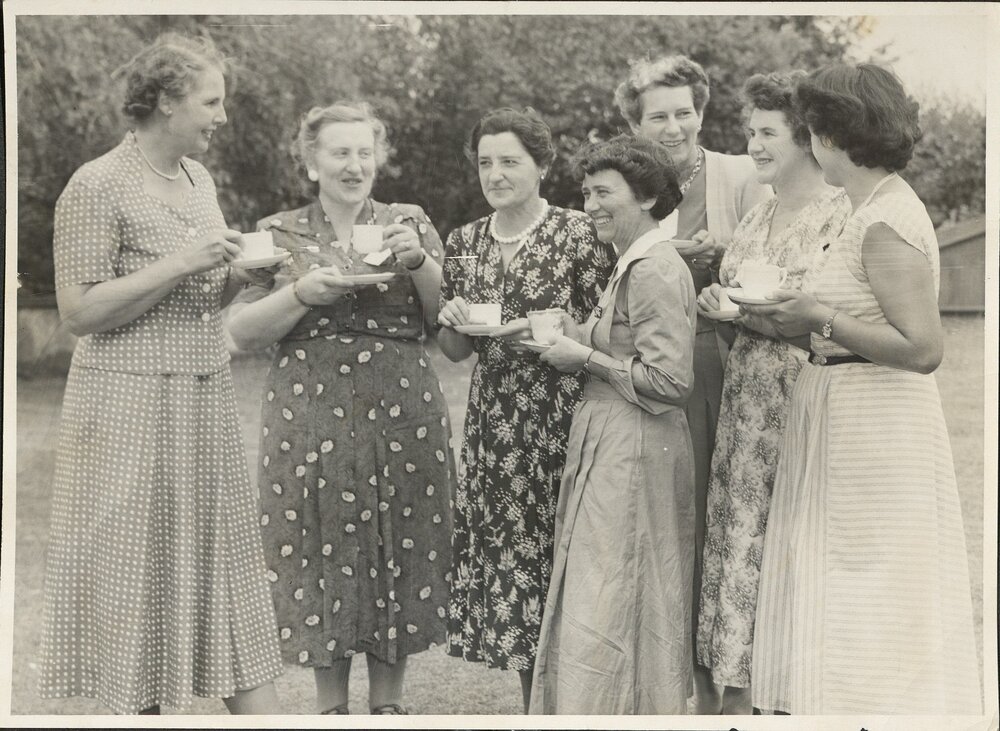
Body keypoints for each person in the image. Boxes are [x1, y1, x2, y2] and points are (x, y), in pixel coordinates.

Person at [37, 33, 282, 715]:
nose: (221, 116)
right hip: (127, 406)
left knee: (228, 574)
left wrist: (237, 275)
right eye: (212, 101)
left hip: (202, 397)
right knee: (138, 577)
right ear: (169, 102)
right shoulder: (96, 184)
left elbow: (199, 301)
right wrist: (181, 262)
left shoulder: (198, 181)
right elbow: (80, 311)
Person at [740, 64, 982, 714]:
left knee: (868, 592)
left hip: (878, 428)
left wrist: (819, 315)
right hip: (841, 414)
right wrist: (775, 319)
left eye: (814, 130)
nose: (810, 143)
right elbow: (846, 328)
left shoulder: (886, 222)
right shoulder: (863, 211)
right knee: (840, 592)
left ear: (837, 134)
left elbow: (924, 348)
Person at [226, 101, 454, 716]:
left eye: (364, 152)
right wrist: (300, 292)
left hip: (401, 402)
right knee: (318, 537)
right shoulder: (276, 232)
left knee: (400, 536)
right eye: (339, 153)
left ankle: (389, 703)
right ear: (311, 163)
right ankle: (331, 706)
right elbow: (241, 331)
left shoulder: (409, 221)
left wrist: (421, 261)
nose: (355, 165)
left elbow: (448, 327)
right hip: (309, 404)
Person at [437, 107, 615, 712]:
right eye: (486, 162)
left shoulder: (581, 233)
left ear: (542, 165)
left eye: (510, 160)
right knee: (516, 567)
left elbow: (609, 328)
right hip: (496, 427)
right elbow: (456, 351)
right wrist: (453, 320)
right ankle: (535, 708)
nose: (496, 173)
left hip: (565, 414)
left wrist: (564, 331)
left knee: (570, 560)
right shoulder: (464, 242)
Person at [614, 54, 772, 712]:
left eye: (685, 112)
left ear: (703, 114)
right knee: (669, 526)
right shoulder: (624, 181)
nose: (673, 126)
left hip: (720, 360)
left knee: (722, 523)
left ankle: (730, 690)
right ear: (635, 121)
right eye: (658, 115)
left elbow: (770, 248)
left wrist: (720, 246)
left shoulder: (737, 172)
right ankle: (676, 685)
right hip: (650, 369)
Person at [693, 71, 851, 714]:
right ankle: (740, 695)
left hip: (797, 396)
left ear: (806, 138)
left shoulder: (838, 213)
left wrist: (744, 315)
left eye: (767, 133)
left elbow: (826, 314)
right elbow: (739, 297)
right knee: (740, 535)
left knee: (782, 541)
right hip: (745, 396)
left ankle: (786, 695)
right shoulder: (758, 211)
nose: (753, 145)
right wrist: (717, 301)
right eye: (748, 131)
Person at [528, 134, 696, 715]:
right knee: (609, 591)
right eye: (586, 192)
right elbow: (629, 349)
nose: (590, 204)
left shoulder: (653, 269)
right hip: (616, 441)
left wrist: (586, 359)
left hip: (638, 447)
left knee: (616, 593)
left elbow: (671, 383)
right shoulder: (630, 263)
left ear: (647, 197)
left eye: (604, 193)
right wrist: (579, 334)